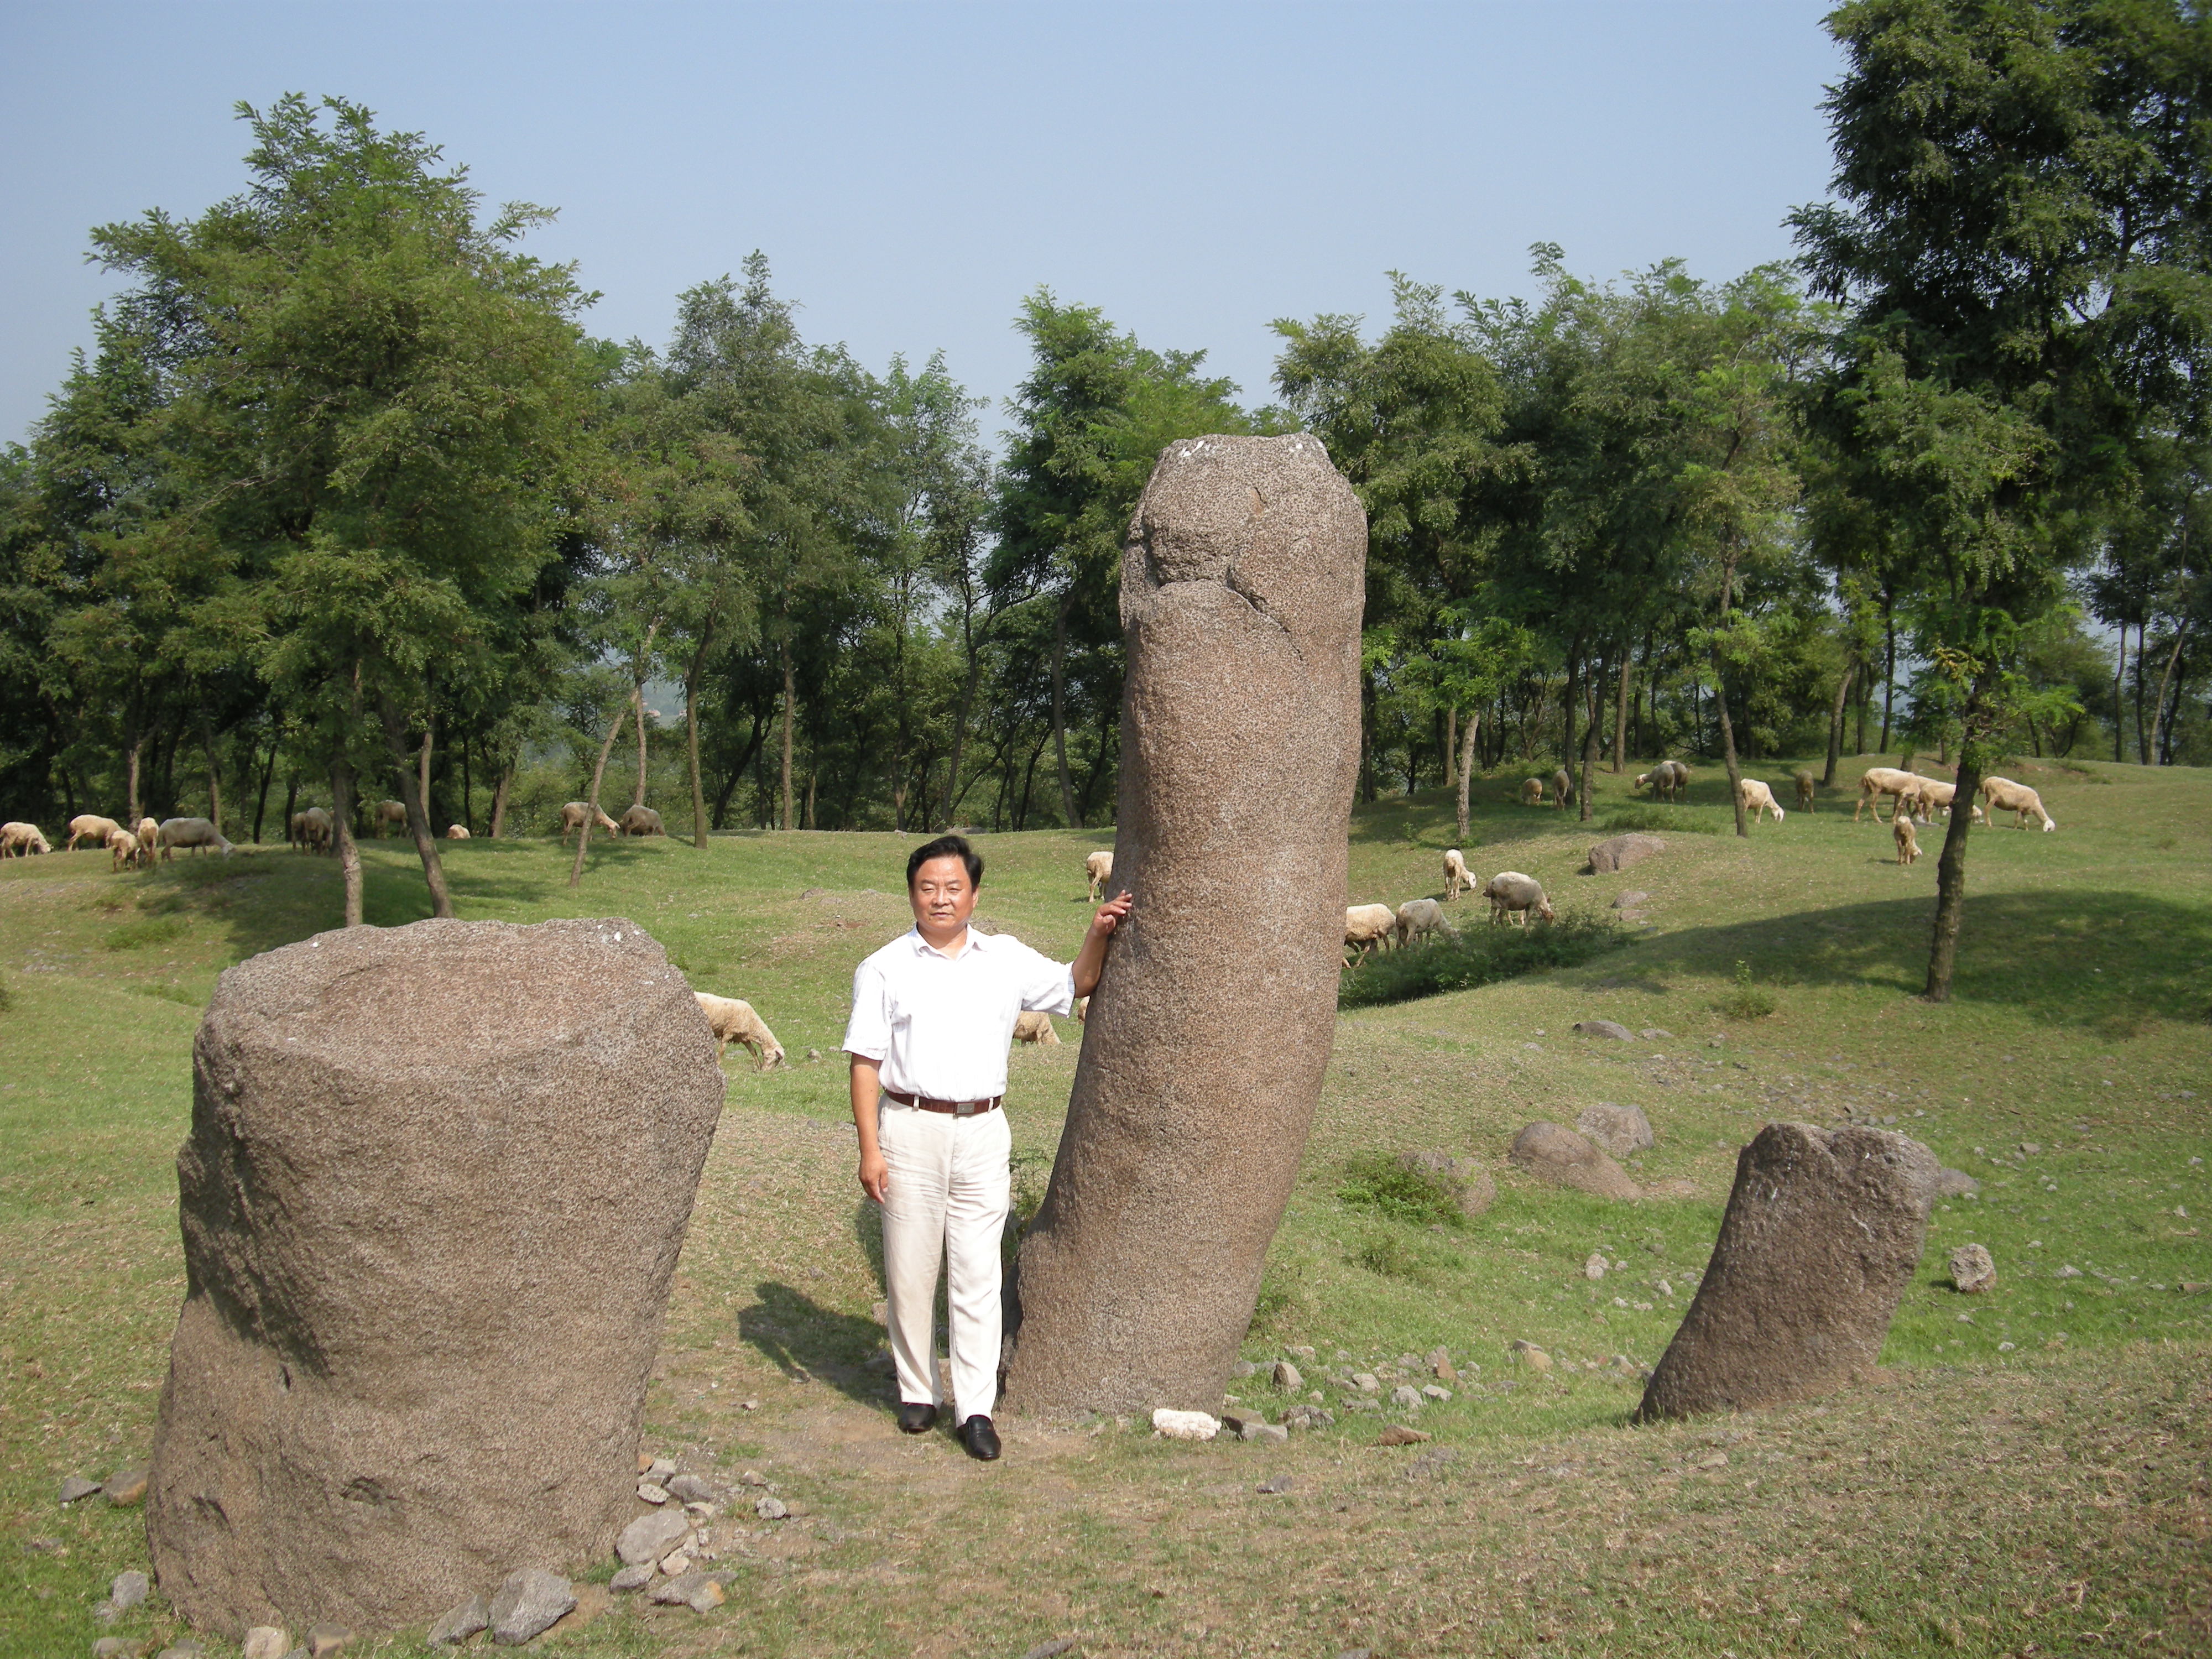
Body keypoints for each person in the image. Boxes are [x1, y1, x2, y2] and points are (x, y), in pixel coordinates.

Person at [842, 834, 1130, 1461]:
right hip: (909, 1126)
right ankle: (918, 1392)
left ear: (974, 894)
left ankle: (975, 1408)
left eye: (952, 888)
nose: (940, 899)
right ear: (912, 894)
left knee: (977, 1271)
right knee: (910, 1269)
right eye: (927, 888)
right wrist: (870, 1149)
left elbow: (1075, 984)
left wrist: (1099, 932)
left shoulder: (1004, 958)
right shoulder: (885, 966)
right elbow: (865, 1064)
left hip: (982, 1130)